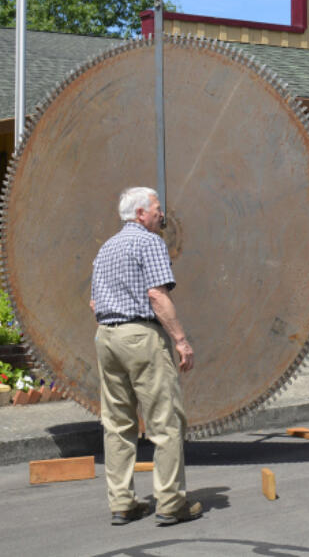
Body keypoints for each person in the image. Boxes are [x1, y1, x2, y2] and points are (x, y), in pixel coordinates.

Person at [91, 186, 202, 526]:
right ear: (140, 214)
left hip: (106, 337)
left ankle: (122, 503)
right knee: (165, 422)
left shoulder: (106, 247)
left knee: (118, 423)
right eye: (156, 208)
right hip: (141, 336)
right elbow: (157, 295)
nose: (161, 214)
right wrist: (181, 340)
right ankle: (170, 503)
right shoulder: (148, 241)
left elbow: (94, 302)